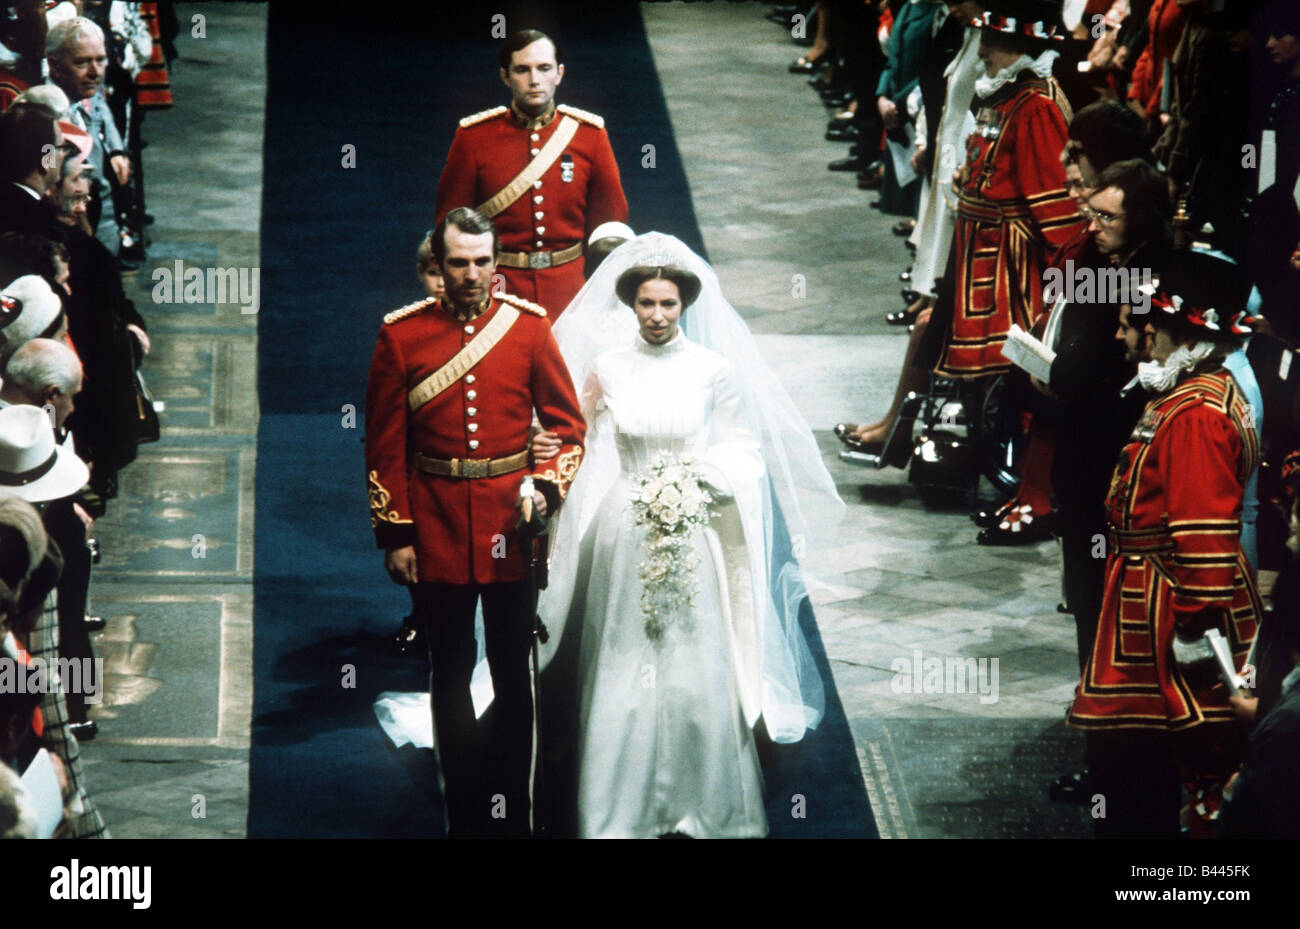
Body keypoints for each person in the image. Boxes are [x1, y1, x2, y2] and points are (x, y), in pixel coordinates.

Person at [535, 232, 841, 838]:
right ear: (630, 304)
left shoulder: (712, 370)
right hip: (623, 529)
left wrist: (703, 478)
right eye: (646, 303)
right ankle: (616, 806)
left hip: (694, 524)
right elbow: (574, 435)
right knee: (624, 654)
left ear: (685, 306)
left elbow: (744, 448)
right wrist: (546, 449)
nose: (656, 315)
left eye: (668, 304)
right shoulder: (607, 368)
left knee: (692, 655)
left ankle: (705, 799)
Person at [364, 206, 585, 837]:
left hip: (510, 531)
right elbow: (383, 444)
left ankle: (515, 803)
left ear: (497, 262)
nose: (471, 275)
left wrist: (544, 489)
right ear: (439, 263)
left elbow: (569, 430)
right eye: (458, 263)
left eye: (482, 262)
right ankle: (463, 809)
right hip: (434, 530)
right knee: (451, 670)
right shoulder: (401, 336)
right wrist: (397, 533)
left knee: (515, 671)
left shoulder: (529, 329)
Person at [1068, 249, 1261, 838]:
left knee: (1147, 771)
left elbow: (1204, 538)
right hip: (1146, 601)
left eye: (1149, 324)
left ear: (1174, 331)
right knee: (1138, 766)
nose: (1139, 333)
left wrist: (1191, 634)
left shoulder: (1198, 412)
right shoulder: (1193, 393)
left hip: (1165, 615)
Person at [434, 29, 628, 317]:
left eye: (544, 68)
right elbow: (450, 225)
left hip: (572, 291)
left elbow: (609, 225)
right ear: (505, 76)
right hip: (498, 288)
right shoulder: (474, 138)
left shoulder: (589, 135)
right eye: (522, 70)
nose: (534, 80)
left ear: (559, 74)